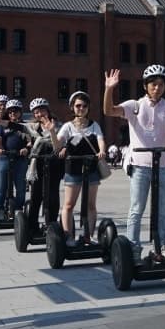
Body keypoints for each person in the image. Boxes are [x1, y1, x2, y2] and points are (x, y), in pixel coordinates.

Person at [104, 64, 165, 261]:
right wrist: (109, 88)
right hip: (139, 164)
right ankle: (134, 247)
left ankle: (163, 246)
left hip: (162, 165)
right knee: (137, 208)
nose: (157, 88)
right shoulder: (135, 106)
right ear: (146, 86)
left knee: (164, 209)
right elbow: (109, 111)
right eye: (153, 85)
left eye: (161, 85)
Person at [56, 90, 107, 243]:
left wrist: (102, 151)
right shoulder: (67, 127)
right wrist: (52, 131)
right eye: (78, 106)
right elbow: (58, 144)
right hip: (73, 169)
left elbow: (100, 140)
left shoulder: (94, 125)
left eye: (84, 106)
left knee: (91, 204)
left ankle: (89, 235)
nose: (81, 108)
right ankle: (68, 236)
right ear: (72, 107)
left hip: (91, 168)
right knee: (69, 204)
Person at [26, 98, 63, 231]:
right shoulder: (32, 128)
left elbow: (62, 144)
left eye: (42, 110)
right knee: (36, 195)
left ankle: (51, 224)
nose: (40, 114)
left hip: (54, 165)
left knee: (52, 195)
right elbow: (14, 126)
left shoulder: (58, 126)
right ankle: (32, 226)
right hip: (37, 166)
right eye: (36, 112)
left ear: (47, 110)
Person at [0, 99, 32, 219]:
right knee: (1, 187)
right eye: (10, 112)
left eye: (15, 111)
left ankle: (19, 209)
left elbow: (30, 141)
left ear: (20, 112)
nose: (12, 114)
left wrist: (26, 148)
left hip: (20, 159)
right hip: (5, 157)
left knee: (20, 186)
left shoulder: (25, 126)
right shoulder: (3, 125)